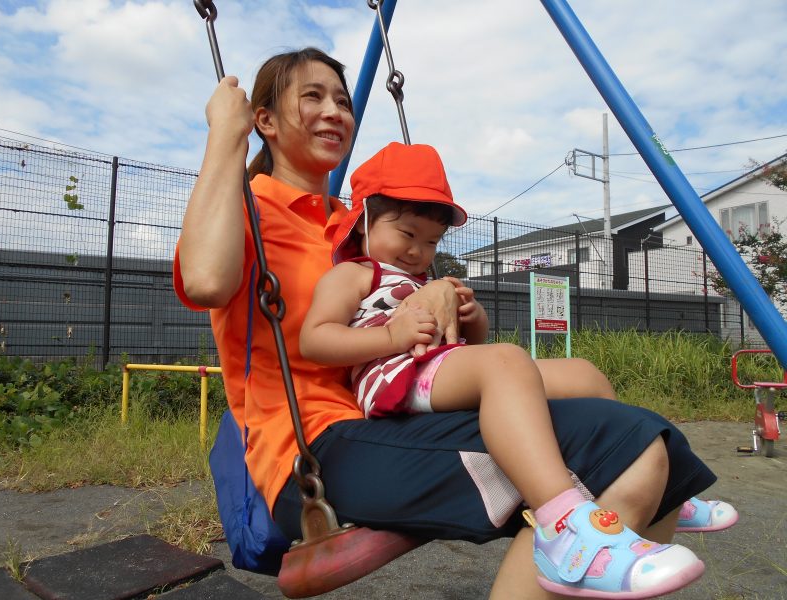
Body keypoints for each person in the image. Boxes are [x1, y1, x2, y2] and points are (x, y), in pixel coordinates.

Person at [175, 46, 727, 599]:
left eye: (342, 100)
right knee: (628, 449)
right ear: (264, 120)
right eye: (312, 96)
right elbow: (204, 282)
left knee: (655, 445)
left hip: (394, 414)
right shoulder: (245, 210)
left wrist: (444, 296)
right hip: (316, 445)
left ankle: (579, 534)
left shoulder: (364, 224)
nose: (335, 111)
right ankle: (569, 529)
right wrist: (226, 135)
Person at [298, 141, 720, 597]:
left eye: (431, 241)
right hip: (392, 377)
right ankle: (563, 521)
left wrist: (472, 317)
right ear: (364, 221)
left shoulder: (425, 282)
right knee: (507, 360)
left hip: (436, 369)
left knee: (584, 373)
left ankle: (661, 489)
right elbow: (315, 338)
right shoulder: (357, 275)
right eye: (406, 233)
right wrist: (389, 338)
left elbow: (469, 349)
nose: (418, 250)